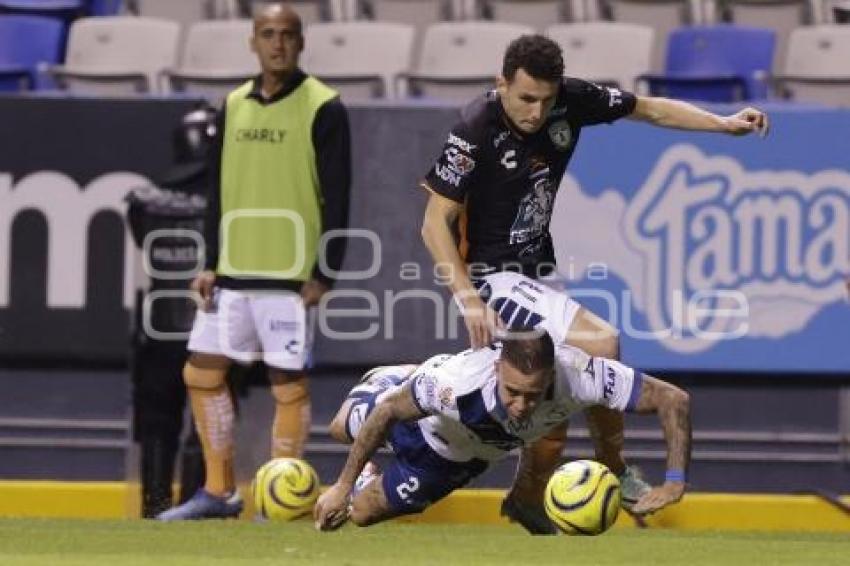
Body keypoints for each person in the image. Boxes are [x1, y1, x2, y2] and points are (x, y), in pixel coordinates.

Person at [419, 34, 768, 531]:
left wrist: (723, 124)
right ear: (502, 84)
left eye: (546, 100)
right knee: (601, 341)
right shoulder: (475, 128)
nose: (537, 113)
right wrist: (469, 299)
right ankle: (614, 467)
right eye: (526, 99)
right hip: (491, 278)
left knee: (555, 391)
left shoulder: (572, 100)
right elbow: (434, 224)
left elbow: (650, 110)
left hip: (534, 275)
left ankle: (525, 496)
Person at [157, 2, 351, 520]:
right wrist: (209, 261)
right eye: (267, 34)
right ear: (253, 42)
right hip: (232, 273)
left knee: (287, 384)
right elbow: (218, 191)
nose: (277, 43)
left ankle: (275, 500)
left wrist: (324, 271)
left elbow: (339, 194)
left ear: (301, 42)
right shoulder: (233, 104)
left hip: (290, 278)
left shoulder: (323, 106)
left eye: (287, 34)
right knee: (201, 373)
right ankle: (220, 492)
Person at [313, 331, 691, 530]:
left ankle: (367, 482)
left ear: (551, 376)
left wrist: (674, 481)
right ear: (497, 369)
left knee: (359, 516)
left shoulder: (579, 375)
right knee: (338, 428)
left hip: (453, 462)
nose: (523, 405)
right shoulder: (456, 385)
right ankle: (397, 376)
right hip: (416, 417)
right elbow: (389, 412)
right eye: (513, 392)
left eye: (534, 394)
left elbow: (673, 399)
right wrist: (341, 485)